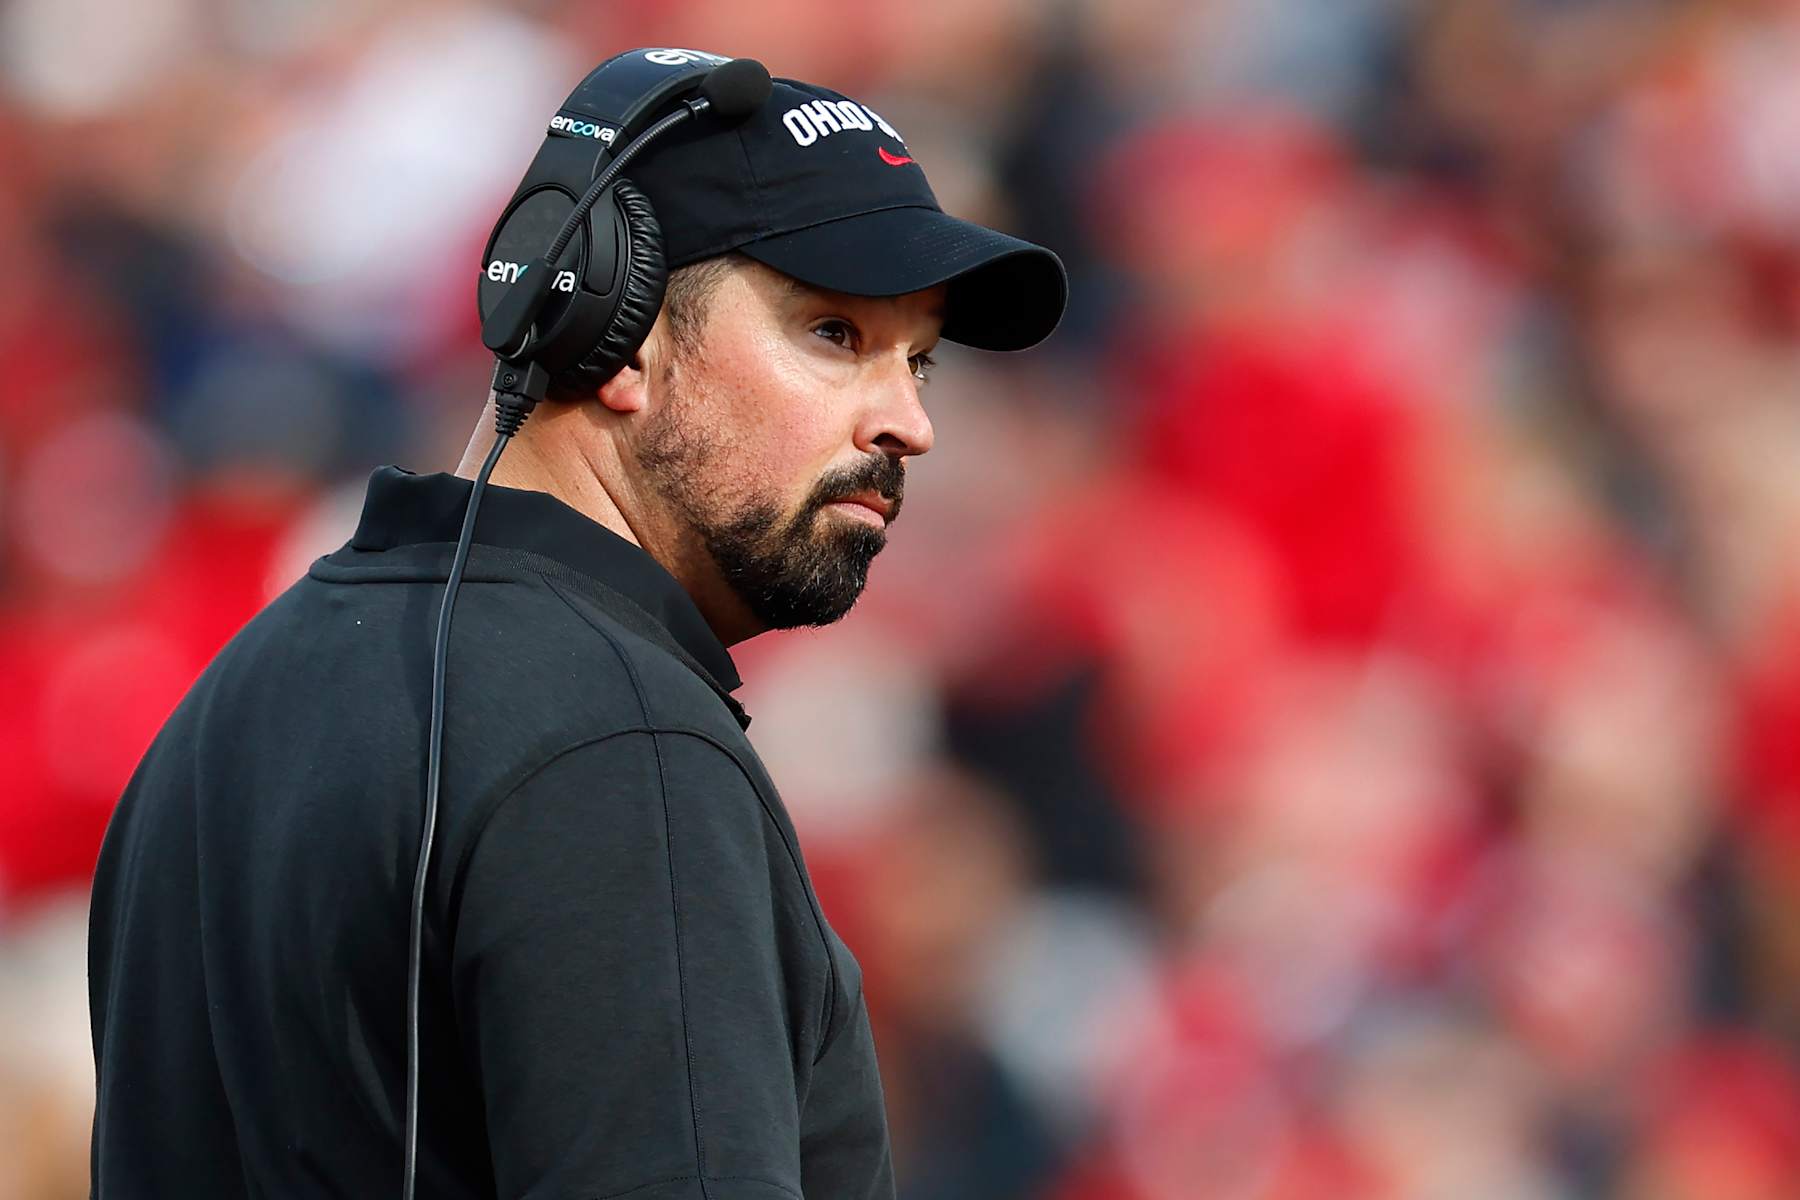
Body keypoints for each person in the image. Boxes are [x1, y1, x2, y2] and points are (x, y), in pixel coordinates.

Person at [85, 48, 1065, 1200]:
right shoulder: (622, 748)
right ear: (618, 333)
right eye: (835, 335)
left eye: (921, 363)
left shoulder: (239, 693)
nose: (908, 423)